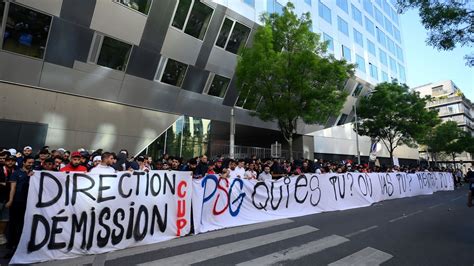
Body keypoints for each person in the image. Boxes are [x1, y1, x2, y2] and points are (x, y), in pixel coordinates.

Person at [5, 156, 34, 258]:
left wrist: (32, 176)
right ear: (24, 163)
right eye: (29, 162)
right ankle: (11, 246)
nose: (31, 164)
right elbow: (12, 188)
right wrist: (10, 200)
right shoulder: (16, 173)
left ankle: (19, 246)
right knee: (13, 225)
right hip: (17, 202)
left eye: (32, 163)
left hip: (28, 203)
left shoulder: (34, 174)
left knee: (22, 225)